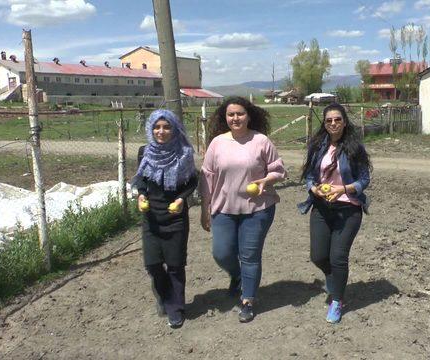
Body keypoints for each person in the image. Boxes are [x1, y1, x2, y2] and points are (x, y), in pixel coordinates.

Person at [200, 96, 286, 323]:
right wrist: (204, 209)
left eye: (240, 114)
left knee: (249, 256)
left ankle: (247, 300)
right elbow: (207, 177)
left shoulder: (261, 141)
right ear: (225, 117)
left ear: (249, 115)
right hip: (224, 208)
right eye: (231, 114)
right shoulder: (217, 143)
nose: (235, 118)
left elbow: (279, 170)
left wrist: (266, 181)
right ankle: (237, 276)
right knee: (222, 253)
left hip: (257, 209)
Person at [298, 103, 371, 324]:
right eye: (329, 120)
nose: (333, 124)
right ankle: (335, 280)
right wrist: (314, 188)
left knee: (338, 257)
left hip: (348, 209)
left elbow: (364, 180)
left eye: (337, 119)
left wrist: (344, 189)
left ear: (344, 121)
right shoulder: (318, 145)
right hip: (321, 206)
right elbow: (310, 175)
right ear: (325, 123)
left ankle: (337, 300)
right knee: (318, 256)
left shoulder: (355, 148)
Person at [132, 109, 198, 329]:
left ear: (174, 129)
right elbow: (141, 178)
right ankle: (165, 296)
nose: (161, 131)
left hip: (175, 217)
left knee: (175, 265)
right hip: (151, 217)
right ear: (151, 129)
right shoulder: (145, 151)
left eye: (166, 127)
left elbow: (191, 182)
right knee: (152, 265)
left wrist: (181, 199)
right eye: (157, 127)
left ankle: (176, 308)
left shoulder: (184, 153)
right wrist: (141, 194)